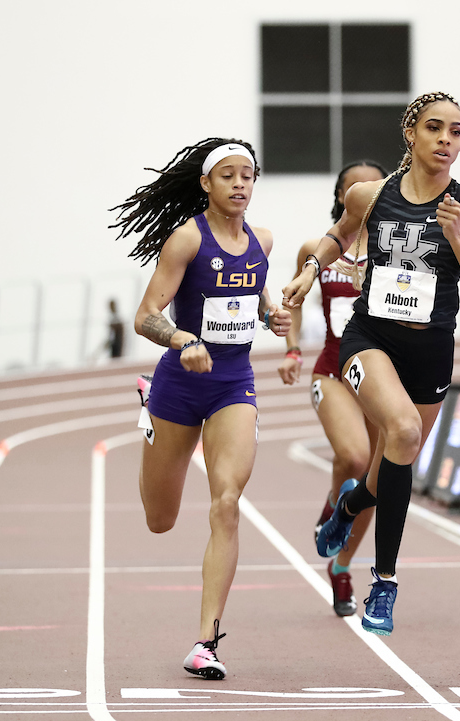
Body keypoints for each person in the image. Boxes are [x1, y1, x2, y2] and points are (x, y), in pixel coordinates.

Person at [282, 91, 460, 636]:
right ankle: (384, 582)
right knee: (400, 429)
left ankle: (348, 506)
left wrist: (455, 237)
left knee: (398, 452)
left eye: (456, 131)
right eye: (435, 128)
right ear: (411, 133)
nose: (446, 140)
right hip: (369, 337)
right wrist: (311, 271)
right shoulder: (371, 194)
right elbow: (337, 238)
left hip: (431, 349)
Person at [109, 137, 291, 679]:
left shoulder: (263, 240)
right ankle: (149, 405)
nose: (241, 184)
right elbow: (145, 316)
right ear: (206, 184)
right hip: (180, 385)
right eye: (229, 175)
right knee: (159, 520)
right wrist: (181, 340)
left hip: (234, 382)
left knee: (226, 502)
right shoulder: (186, 239)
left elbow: (249, 293)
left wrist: (270, 315)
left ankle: (206, 641)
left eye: (249, 175)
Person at [279, 159, 388, 616]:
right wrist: (292, 348)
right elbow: (296, 298)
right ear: (342, 196)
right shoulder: (316, 248)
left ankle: (342, 567)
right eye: (353, 187)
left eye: (372, 186)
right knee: (356, 457)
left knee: (375, 484)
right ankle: (333, 507)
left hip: (383, 374)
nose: (363, 192)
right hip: (333, 370)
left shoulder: (393, 246)